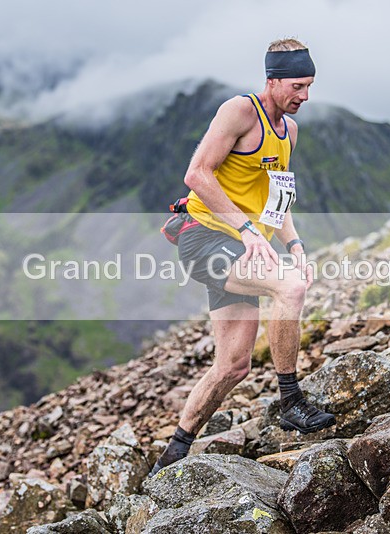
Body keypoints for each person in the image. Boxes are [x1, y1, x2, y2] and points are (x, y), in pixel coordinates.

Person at [149, 38, 335, 477]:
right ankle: (291, 401)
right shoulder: (240, 111)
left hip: (240, 246)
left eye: (309, 86)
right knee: (290, 287)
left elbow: (277, 198)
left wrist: (295, 244)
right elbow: (197, 174)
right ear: (272, 80)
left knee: (232, 366)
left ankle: (172, 454)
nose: (304, 96)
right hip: (204, 240)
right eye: (297, 86)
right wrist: (247, 230)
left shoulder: (290, 130)